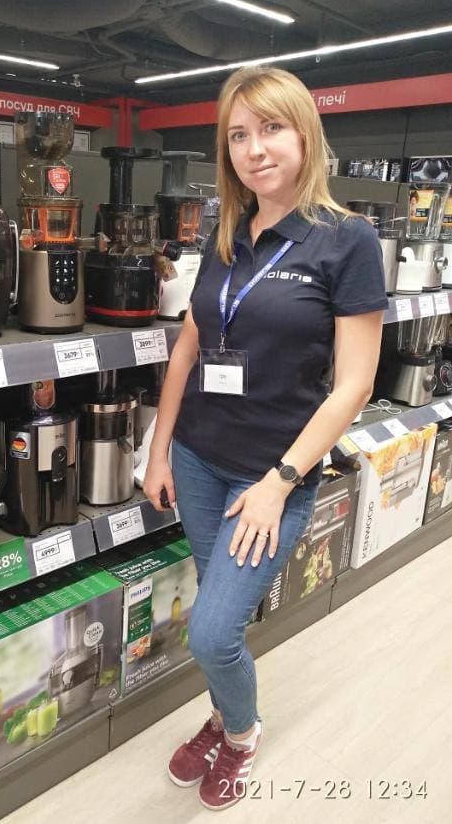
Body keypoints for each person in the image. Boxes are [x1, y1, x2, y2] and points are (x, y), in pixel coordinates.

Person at [143, 66, 388, 812]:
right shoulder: (224, 235)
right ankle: (224, 715)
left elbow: (353, 385)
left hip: (270, 476)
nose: (254, 149)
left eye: (271, 128)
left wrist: (279, 483)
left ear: (305, 134)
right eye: (238, 136)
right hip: (197, 458)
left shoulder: (346, 240)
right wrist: (158, 449)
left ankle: (241, 734)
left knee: (212, 633)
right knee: (218, 616)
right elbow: (188, 350)